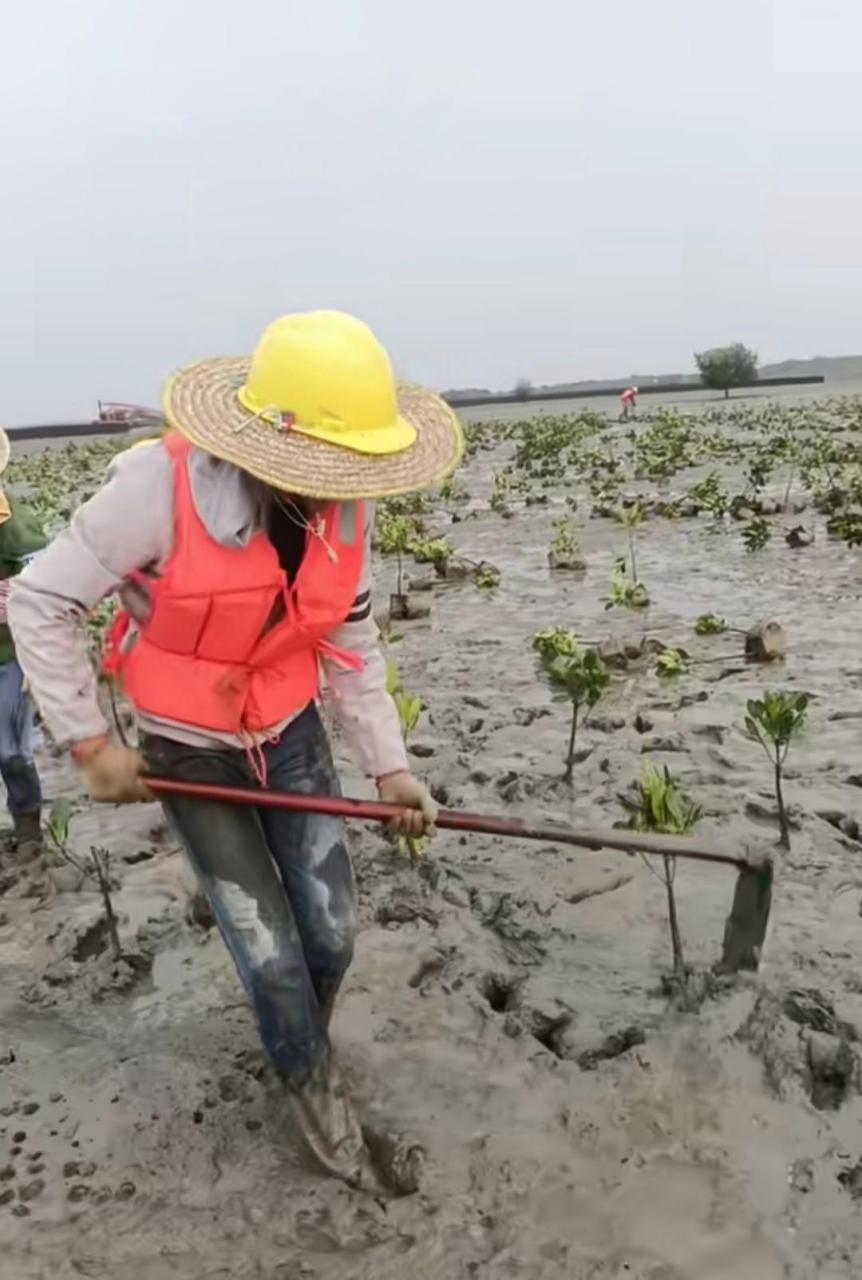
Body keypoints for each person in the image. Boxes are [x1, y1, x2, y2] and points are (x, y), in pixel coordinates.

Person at [9, 311, 463, 1188]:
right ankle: (311, 1092)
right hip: (191, 750)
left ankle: (298, 1044)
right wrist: (89, 743)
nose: (338, 483)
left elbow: (351, 639)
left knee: (330, 935)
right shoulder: (156, 490)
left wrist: (391, 767)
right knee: (267, 952)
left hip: (289, 734)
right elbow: (40, 601)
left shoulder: (347, 510)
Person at [0, 429, 46, 858]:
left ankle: (28, 822)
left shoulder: (15, 525)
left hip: (10, 652)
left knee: (11, 749)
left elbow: (43, 587)